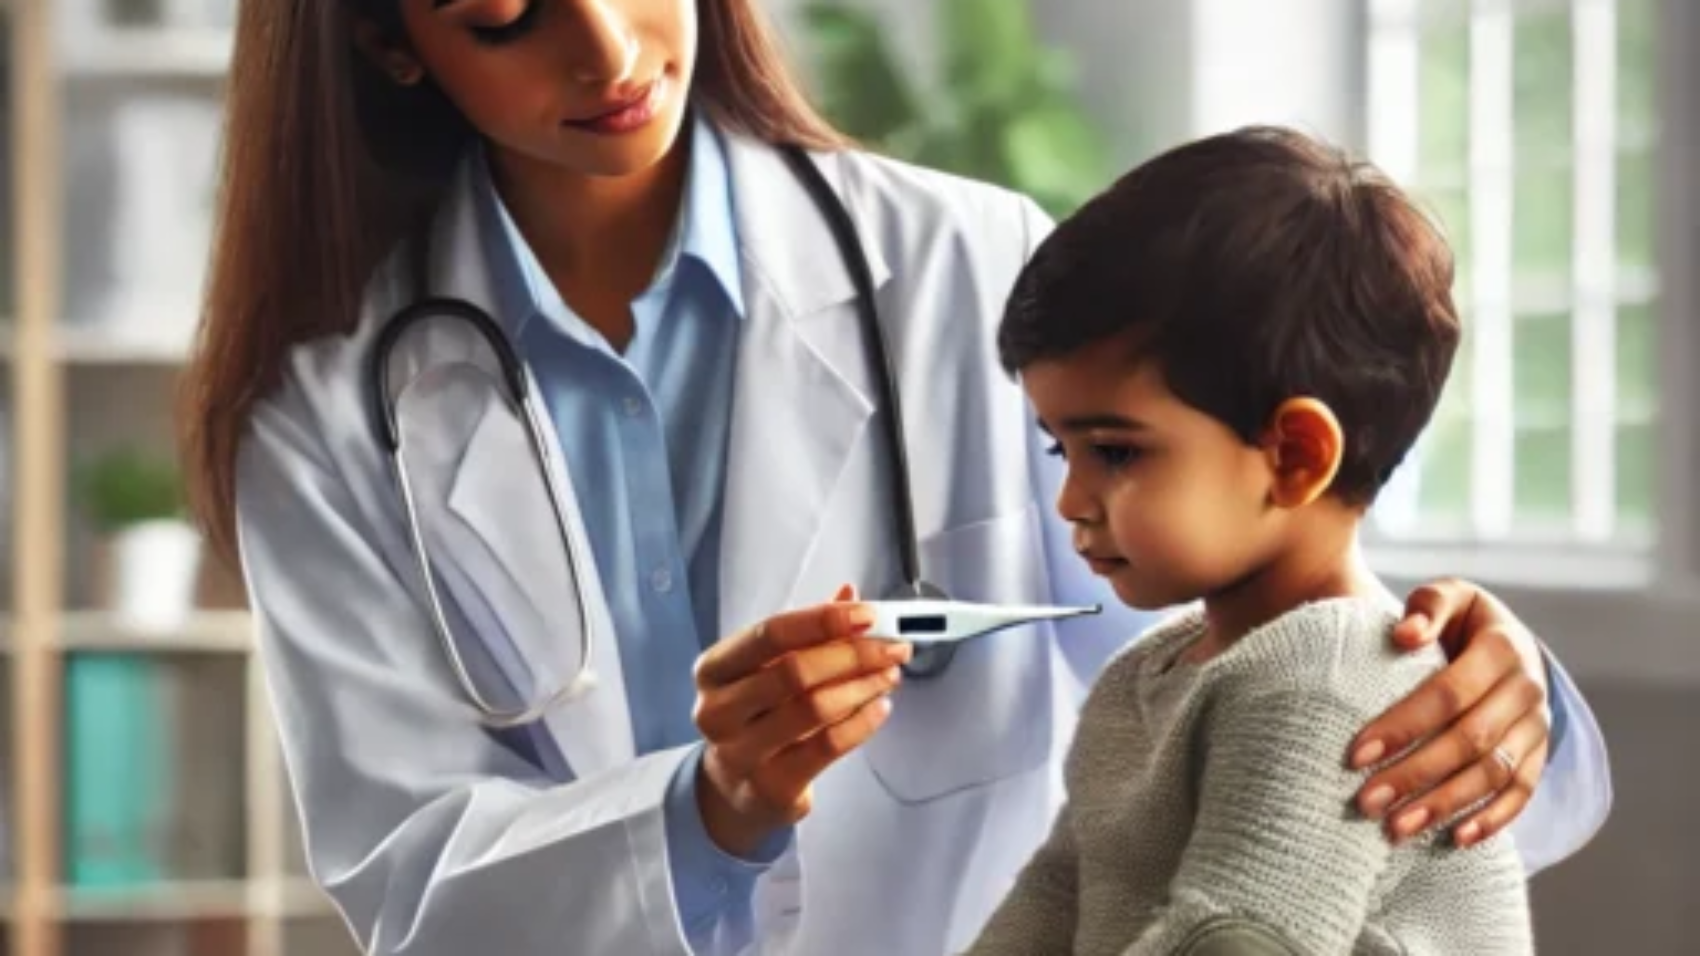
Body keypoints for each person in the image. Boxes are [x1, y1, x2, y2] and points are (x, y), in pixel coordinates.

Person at [177, 2, 1610, 954]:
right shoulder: (324, 417)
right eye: (507, 10)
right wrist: (714, 804)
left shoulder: (973, 269)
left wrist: (1470, 687)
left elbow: (1275, 645)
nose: (609, 49)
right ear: (391, 41)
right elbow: (412, 884)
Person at [963, 126, 1535, 956]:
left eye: (1117, 452)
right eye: (1063, 449)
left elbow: (1242, 938)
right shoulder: (1149, 674)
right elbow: (1056, 896)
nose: (1070, 499)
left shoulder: (1332, 680)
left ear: (1295, 456)